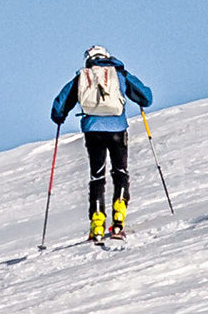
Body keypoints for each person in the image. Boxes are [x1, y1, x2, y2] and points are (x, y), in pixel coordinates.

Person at [51, 45, 152, 241]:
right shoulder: (120, 74)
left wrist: (59, 117)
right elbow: (146, 98)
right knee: (120, 172)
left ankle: (97, 225)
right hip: (117, 129)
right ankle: (118, 220)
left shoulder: (82, 76)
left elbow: (60, 105)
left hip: (93, 130)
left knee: (97, 176)